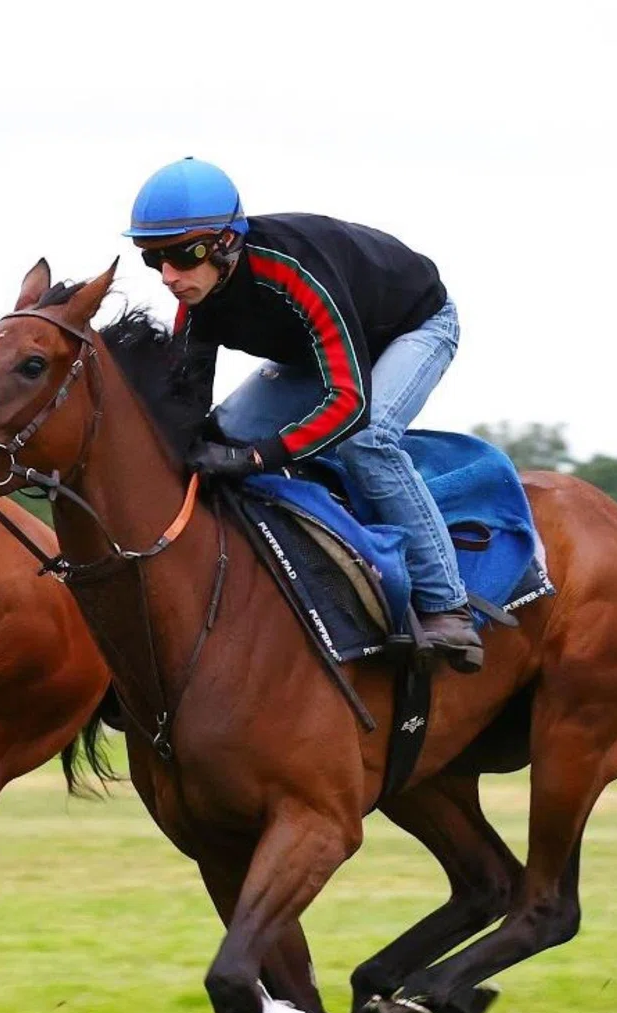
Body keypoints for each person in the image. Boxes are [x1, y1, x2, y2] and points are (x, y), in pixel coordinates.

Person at [127, 159, 483, 672]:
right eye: (152, 259)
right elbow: (187, 413)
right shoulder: (198, 302)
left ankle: (448, 606)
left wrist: (256, 456)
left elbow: (351, 405)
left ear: (228, 242)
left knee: (367, 441)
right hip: (320, 354)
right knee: (220, 435)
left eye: (184, 254)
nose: (168, 276)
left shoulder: (292, 271)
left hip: (412, 329)